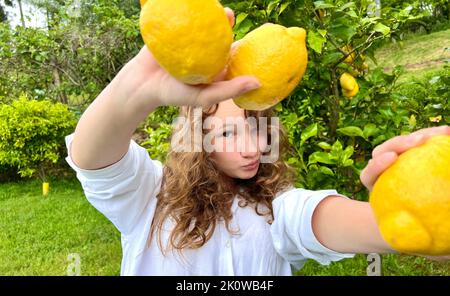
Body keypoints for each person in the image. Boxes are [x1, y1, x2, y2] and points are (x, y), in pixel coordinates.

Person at [65, 8, 450, 276]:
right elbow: (92, 158)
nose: (251, 148)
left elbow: (384, 229)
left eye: (257, 130)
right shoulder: (150, 199)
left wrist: (409, 206)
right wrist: (136, 91)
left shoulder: (279, 210)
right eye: (229, 133)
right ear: (197, 141)